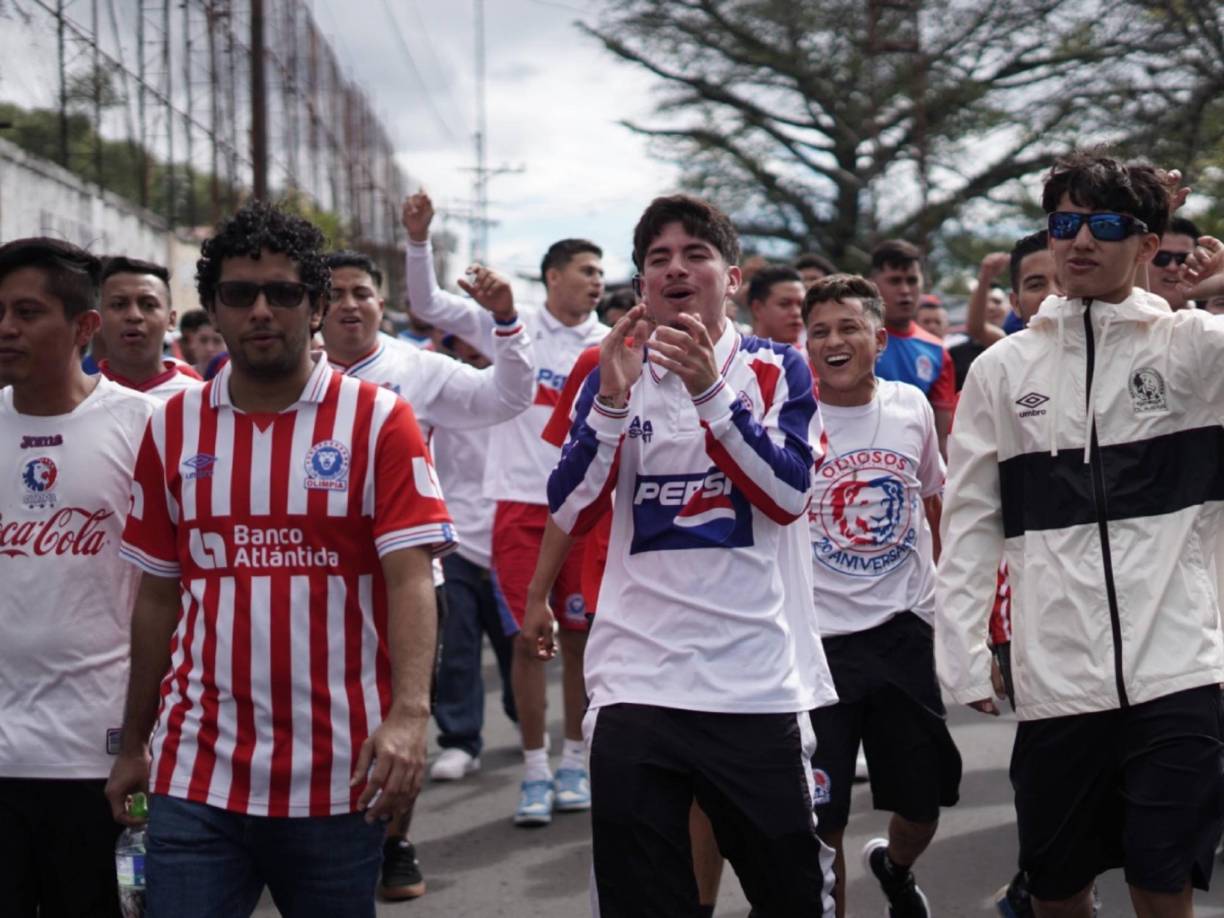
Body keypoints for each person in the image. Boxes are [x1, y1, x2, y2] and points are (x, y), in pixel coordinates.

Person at [104, 200, 456, 918]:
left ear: (317, 305)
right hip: (195, 773)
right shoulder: (171, 426)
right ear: (212, 307)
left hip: (338, 779)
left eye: (285, 293)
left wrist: (410, 717)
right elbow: (158, 598)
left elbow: (411, 579)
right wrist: (133, 741)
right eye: (239, 294)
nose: (261, 311)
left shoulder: (379, 420)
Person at [937, 151, 1224, 918]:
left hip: (1179, 674)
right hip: (1058, 681)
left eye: (1105, 224)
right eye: (1064, 224)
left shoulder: (1194, 350)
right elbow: (968, 519)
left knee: (1162, 885)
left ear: (1147, 241)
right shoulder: (1001, 369)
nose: (1079, 241)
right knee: (1059, 891)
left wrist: (1216, 289)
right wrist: (961, 647)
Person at [548, 193, 837, 916]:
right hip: (635, 685)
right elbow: (569, 511)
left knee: (792, 898)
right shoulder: (608, 369)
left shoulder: (777, 370)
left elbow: (788, 495)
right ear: (643, 283)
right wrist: (610, 410)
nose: (676, 269)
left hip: (752, 684)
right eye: (658, 259)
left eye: (696, 254)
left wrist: (711, 393)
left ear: (732, 278)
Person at [320, 248, 533, 899]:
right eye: (334, 294)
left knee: (403, 715)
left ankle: (393, 844)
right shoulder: (283, 371)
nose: (349, 304)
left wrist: (505, 324)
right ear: (313, 305)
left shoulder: (416, 367)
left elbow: (508, 395)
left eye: (362, 291)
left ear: (382, 304)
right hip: (311, 580)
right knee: (322, 718)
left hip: (407, 579)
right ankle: (310, 841)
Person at [402, 190, 607, 826]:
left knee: (579, 642)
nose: (598, 283)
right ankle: (535, 770)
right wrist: (418, 241)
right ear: (553, 276)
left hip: (587, 508)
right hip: (521, 506)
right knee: (527, 642)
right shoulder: (508, 325)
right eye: (586, 271)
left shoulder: (610, 342)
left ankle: (576, 760)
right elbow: (428, 305)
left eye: (602, 273)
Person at [0, 237, 158, 918]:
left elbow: (173, 594)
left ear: (83, 326)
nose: (6, 327)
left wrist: (143, 740)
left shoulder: (146, 425)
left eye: (27, 312)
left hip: (107, 765)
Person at [802, 273, 961, 918]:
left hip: (903, 631)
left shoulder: (908, 406)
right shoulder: (790, 414)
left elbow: (933, 500)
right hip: (818, 645)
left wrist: (955, 606)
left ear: (878, 336)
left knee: (923, 804)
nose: (833, 342)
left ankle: (894, 868)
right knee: (823, 818)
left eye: (848, 328)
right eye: (818, 331)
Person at [869, 240, 956, 454]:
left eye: (912, 280)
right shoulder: (851, 339)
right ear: (872, 285)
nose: (905, 290)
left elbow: (941, 439)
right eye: (895, 281)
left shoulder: (937, 350)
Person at [96, 256, 203, 399]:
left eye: (149, 305)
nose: (134, 316)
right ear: (97, 319)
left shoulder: (199, 400)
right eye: (118, 305)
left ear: (171, 320)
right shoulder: (75, 399)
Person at [747, 264, 806, 345]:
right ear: (757, 308)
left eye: (801, 305)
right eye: (784, 304)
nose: (796, 312)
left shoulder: (815, 355)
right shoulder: (734, 355)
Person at [179, 308, 227, 376]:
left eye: (217, 341)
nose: (209, 348)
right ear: (192, 342)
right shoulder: (181, 379)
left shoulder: (234, 383)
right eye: (203, 340)